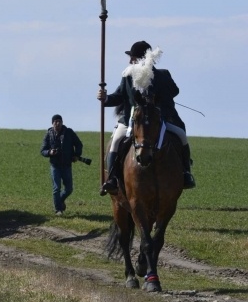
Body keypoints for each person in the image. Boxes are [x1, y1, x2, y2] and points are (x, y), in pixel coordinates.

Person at [97, 40, 195, 193]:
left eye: (133, 57)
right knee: (116, 141)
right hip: (131, 120)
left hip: (158, 119)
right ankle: (112, 178)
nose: (130, 61)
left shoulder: (162, 75)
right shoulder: (128, 76)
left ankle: (186, 173)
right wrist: (105, 99)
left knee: (181, 136)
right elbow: (119, 96)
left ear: (143, 58)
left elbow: (174, 91)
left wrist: (160, 98)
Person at [40, 114, 83, 215]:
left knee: (69, 189)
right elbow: (42, 150)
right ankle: (58, 210)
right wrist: (49, 152)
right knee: (56, 188)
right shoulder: (48, 134)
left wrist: (77, 155)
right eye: (55, 122)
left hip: (67, 165)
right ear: (52, 123)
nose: (57, 123)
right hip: (55, 166)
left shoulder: (69, 132)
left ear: (62, 122)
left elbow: (79, 144)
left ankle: (59, 200)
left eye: (59, 121)